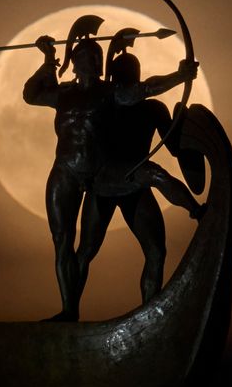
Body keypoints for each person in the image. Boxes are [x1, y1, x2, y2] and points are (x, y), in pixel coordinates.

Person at [23, 18, 197, 321]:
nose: (94, 62)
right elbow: (31, 94)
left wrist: (180, 77)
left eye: (97, 57)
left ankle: (196, 212)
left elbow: (146, 88)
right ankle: (68, 311)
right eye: (88, 57)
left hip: (103, 174)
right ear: (75, 62)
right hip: (69, 173)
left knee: (132, 242)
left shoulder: (110, 93)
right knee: (65, 242)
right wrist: (48, 60)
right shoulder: (63, 94)